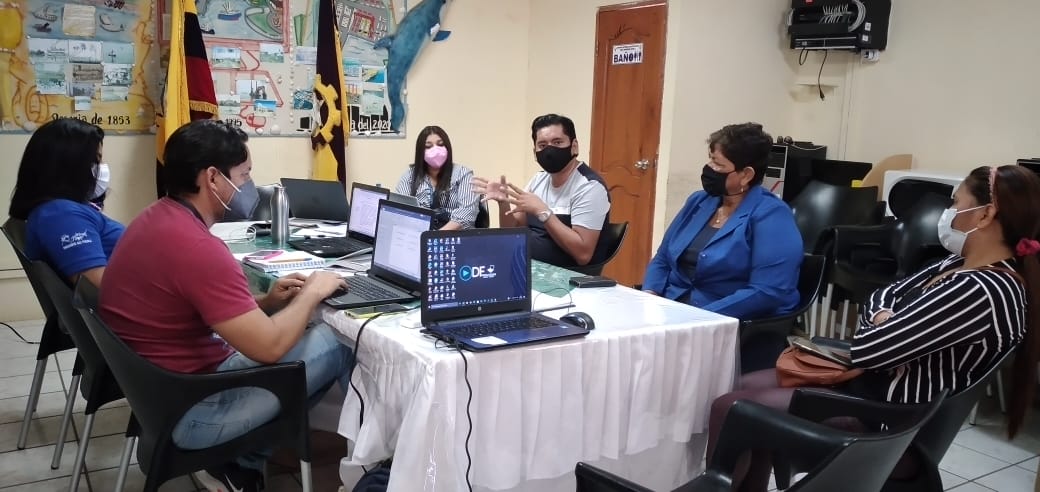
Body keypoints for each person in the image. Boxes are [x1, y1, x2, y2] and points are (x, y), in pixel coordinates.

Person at [706, 164, 1040, 492]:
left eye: (956, 203)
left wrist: (882, 324)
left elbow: (868, 349)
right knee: (743, 384)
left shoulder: (980, 290)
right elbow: (882, 296)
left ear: (985, 215)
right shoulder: (959, 264)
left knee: (731, 408)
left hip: (884, 421)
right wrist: (884, 319)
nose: (949, 213)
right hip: (869, 388)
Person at [99, 120, 352, 492]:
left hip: (158, 399)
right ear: (213, 178)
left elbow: (197, 311)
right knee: (342, 339)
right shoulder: (198, 249)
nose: (248, 186)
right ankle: (370, 465)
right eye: (244, 175)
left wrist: (268, 302)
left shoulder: (154, 218)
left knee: (300, 329)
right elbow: (269, 347)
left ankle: (239, 464)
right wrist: (313, 291)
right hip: (195, 411)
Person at [642, 122, 802, 321]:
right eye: (710, 159)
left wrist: (699, 318)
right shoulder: (699, 201)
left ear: (746, 175)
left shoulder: (772, 215)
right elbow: (663, 258)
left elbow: (768, 291)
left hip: (728, 319)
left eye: (718, 164)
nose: (710, 168)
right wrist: (649, 294)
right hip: (674, 309)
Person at [472, 113, 611, 267]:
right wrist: (503, 203)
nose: (549, 150)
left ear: (574, 146)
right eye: (542, 145)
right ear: (535, 152)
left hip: (565, 276)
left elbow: (583, 255)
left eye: (557, 142)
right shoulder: (539, 179)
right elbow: (513, 232)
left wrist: (543, 212)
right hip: (525, 265)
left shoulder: (590, 186)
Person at [9, 118, 123, 286]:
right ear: (69, 164)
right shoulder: (61, 215)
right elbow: (96, 286)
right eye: (95, 161)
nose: (101, 168)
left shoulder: (60, 211)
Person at [394, 125, 480, 230]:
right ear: (421, 151)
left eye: (440, 144)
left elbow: (466, 215)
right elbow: (399, 210)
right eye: (428, 146)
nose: (436, 150)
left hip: (455, 237)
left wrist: (433, 237)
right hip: (418, 234)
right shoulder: (410, 176)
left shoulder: (463, 174)